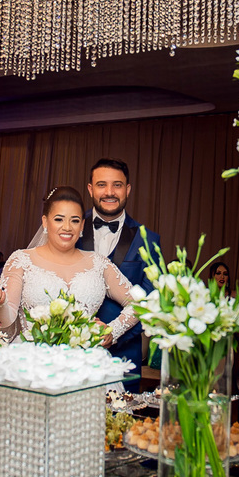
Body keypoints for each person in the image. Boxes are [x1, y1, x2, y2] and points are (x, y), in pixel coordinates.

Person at [0, 187, 139, 348]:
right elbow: (6, 318)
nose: (67, 227)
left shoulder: (99, 264)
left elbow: (139, 303)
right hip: (31, 357)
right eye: (59, 219)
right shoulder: (21, 259)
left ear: (82, 225)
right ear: (45, 221)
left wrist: (112, 330)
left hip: (84, 358)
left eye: (75, 220)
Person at [77, 158, 159, 391]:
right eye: (102, 185)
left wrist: (115, 333)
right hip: (72, 356)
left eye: (118, 185)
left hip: (123, 357)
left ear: (128, 189)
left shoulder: (149, 240)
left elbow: (150, 301)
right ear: (91, 189)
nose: (109, 192)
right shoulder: (69, 228)